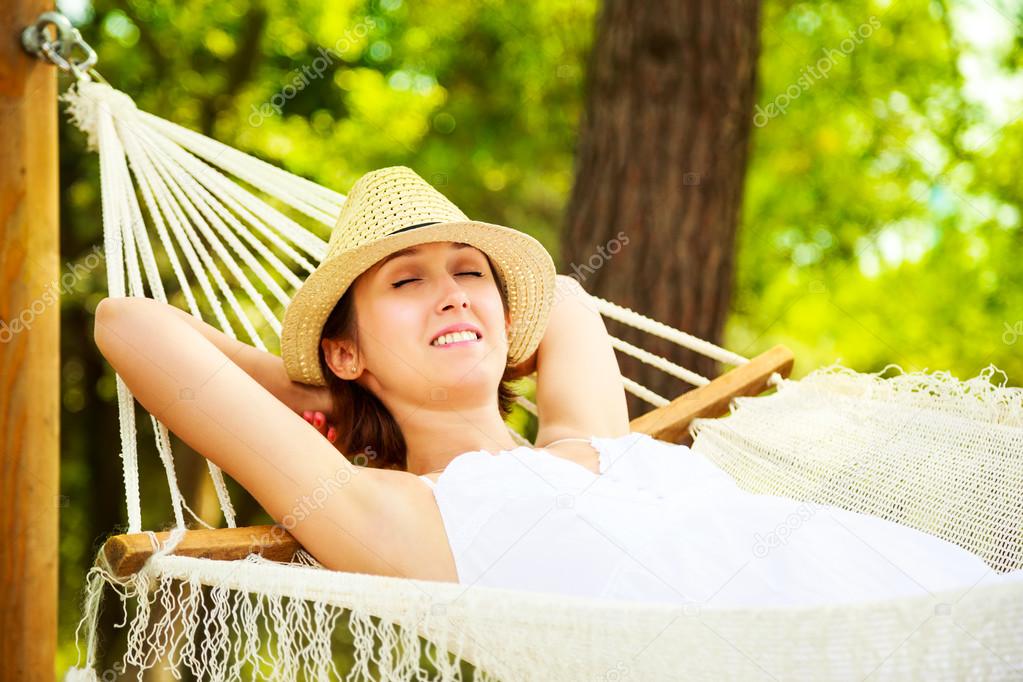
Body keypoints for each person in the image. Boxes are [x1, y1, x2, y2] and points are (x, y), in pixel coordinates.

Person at [93, 166, 1017, 608]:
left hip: (937, 595)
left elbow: (566, 298)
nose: (452, 291)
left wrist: (431, 345)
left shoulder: (592, 439)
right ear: (346, 352)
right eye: (405, 282)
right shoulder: (392, 517)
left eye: (470, 274)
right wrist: (323, 390)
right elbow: (126, 324)